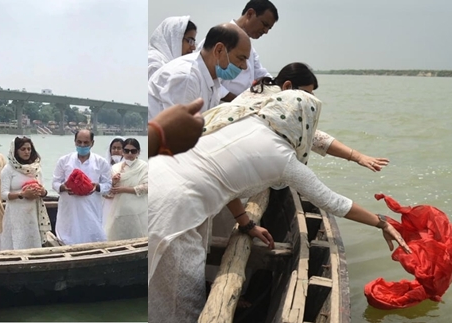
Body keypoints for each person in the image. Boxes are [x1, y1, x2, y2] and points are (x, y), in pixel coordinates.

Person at [147, 90, 411, 321]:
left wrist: (246, 223)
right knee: (178, 301)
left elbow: (223, 180)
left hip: (154, 177)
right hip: (176, 208)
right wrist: (381, 222)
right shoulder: (282, 157)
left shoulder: (241, 118)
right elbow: (332, 201)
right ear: (303, 125)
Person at [205, 62, 390, 172]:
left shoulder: (262, 91)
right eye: (307, 94)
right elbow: (312, 136)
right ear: (287, 86)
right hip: (231, 167)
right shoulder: (272, 103)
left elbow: (309, 135)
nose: (310, 100)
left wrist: (356, 156)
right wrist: (357, 157)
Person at [148, 23, 250, 120]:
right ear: (219, 50)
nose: (245, 66)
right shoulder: (187, 77)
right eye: (241, 58)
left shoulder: (212, 77)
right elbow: (178, 132)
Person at [197, 0, 279, 102]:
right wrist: (239, 102)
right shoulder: (220, 38)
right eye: (264, 24)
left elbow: (261, 74)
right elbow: (207, 78)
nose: (266, 31)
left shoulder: (249, 48)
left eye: (269, 28)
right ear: (250, 14)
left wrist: (281, 87)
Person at [52, 130, 112, 245]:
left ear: (92, 143)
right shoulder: (64, 161)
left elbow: (108, 185)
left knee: (92, 235)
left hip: (91, 206)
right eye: (79, 142)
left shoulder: (101, 162)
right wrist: (63, 187)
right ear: (74, 142)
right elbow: (55, 182)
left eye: (86, 142)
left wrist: (97, 187)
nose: (82, 145)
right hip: (69, 206)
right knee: (67, 237)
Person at [0, 137, 51, 250]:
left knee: (33, 243)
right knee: (16, 242)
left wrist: (42, 192)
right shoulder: (8, 170)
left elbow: (43, 190)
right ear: (15, 151)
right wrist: (22, 194)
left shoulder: (36, 168)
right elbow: (3, 194)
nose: (27, 152)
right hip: (15, 214)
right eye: (23, 149)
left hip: (32, 213)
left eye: (29, 149)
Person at [104, 138, 148, 241]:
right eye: (126, 151)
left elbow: (146, 187)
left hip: (138, 210)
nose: (129, 154)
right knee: (116, 238)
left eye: (133, 151)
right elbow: (109, 191)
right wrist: (113, 181)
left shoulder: (144, 167)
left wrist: (124, 189)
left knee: (139, 237)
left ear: (138, 152)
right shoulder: (115, 168)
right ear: (122, 152)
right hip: (119, 209)